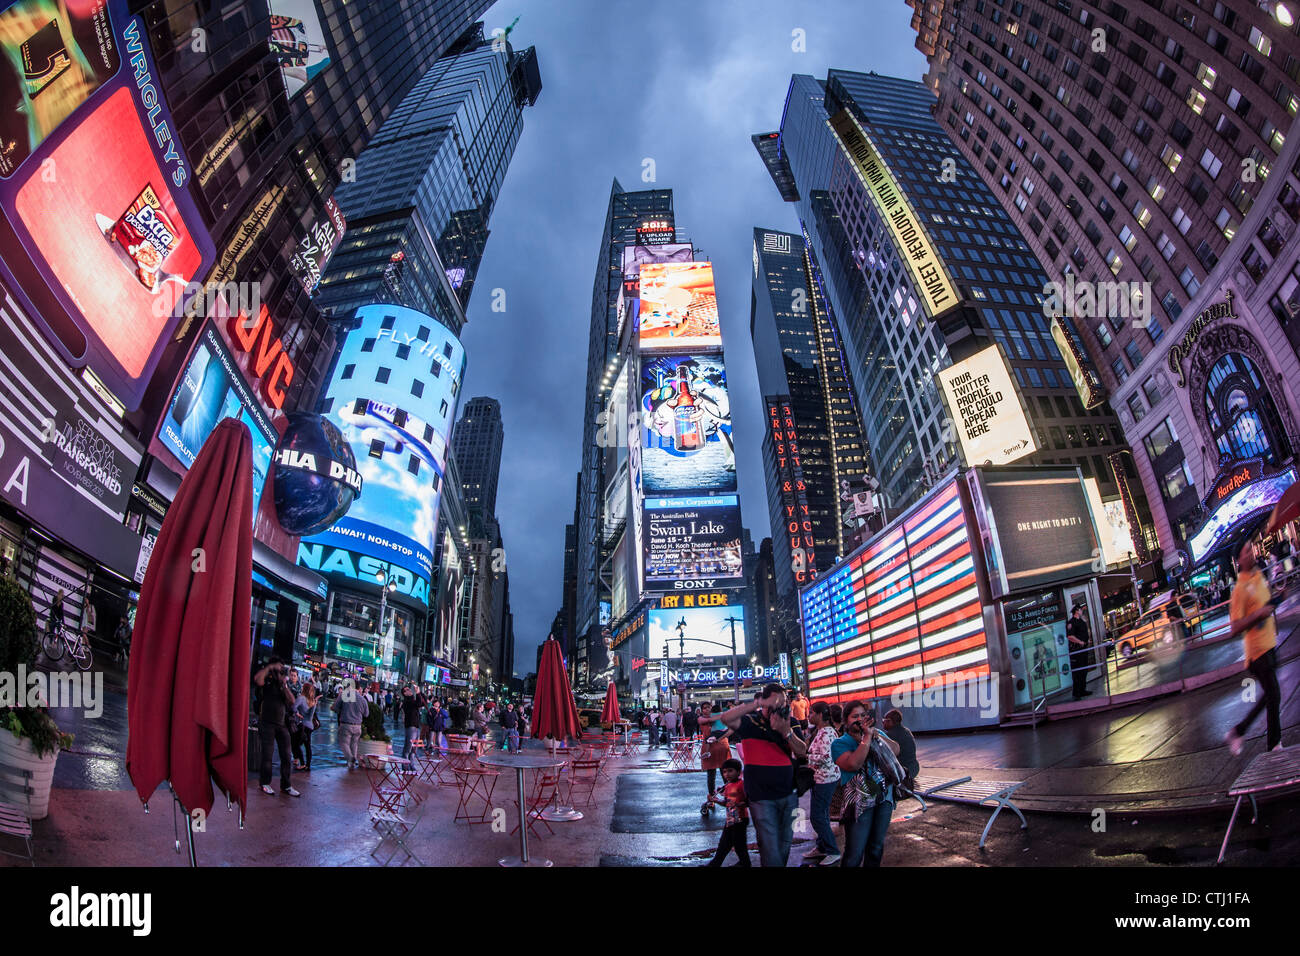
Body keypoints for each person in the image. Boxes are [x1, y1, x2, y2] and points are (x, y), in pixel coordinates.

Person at [712, 684, 806, 866]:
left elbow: (802, 751)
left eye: (783, 702)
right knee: (770, 846)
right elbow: (726, 717)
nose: (780, 707)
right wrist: (755, 704)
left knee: (785, 843)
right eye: (776, 702)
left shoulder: (790, 722)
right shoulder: (750, 722)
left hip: (789, 793)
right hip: (761, 796)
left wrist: (786, 732)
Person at [1226, 543, 1283, 755]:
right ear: (1238, 560)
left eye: (1251, 548)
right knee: (1274, 695)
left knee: (1270, 696)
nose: (1252, 553)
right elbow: (1234, 627)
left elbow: (1264, 605)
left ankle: (1239, 731)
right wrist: (1258, 615)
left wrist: (1278, 598)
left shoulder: (1258, 574)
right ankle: (1274, 746)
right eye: (1247, 551)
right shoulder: (1239, 589)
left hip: (1270, 644)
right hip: (1257, 651)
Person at [832, 702, 900, 867]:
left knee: (876, 848)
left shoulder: (877, 733)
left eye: (863, 715)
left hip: (884, 799)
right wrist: (866, 739)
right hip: (858, 805)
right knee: (854, 852)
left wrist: (876, 735)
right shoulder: (840, 743)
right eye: (855, 716)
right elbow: (853, 764)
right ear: (846, 721)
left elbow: (896, 749)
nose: (860, 720)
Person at [254, 658, 301, 797]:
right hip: (267, 722)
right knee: (267, 755)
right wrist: (270, 668)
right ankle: (264, 783)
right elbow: (258, 680)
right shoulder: (267, 681)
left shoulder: (282, 685)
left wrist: (284, 684)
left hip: (282, 724)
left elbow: (292, 701)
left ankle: (286, 785)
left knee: (287, 755)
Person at [803, 700, 842, 865]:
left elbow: (826, 758)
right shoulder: (821, 731)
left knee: (817, 817)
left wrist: (806, 758)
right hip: (821, 778)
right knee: (823, 815)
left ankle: (833, 850)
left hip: (825, 779)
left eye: (811, 713)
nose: (809, 715)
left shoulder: (826, 733)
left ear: (820, 715)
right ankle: (822, 847)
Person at [704, 758, 750, 867]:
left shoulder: (741, 785)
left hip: (740, 819)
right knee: (724, 844)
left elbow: (748, 801)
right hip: (731, 819)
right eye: (724, 771)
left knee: (738, 845)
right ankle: (716, 864)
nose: (727, 774)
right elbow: (727, 802)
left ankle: (745, 863)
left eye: (730, 771)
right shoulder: (728, 786)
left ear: (738, 772)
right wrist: (716, 800)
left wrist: (737, 804)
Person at [698, 702, 733, 813]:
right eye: (704, 708)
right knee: (711, 774)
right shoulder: (703, 719)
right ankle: (712, 798)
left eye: (709, 707)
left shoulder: (718, 718)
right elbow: (705, 724)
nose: (707, 710)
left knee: (726, 773)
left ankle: (729, 796)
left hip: (721, 746)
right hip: (710, 748)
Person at [881, 709, 920, 792]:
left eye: (884, 720)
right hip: (914, 768)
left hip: (903, 772)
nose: (883, 723)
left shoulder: (889, 736)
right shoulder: (906, 730)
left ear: (890, 721)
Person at [334, 679, 369, 770]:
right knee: (354, 744)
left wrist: (342, 711)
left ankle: (350, 758)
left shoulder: (344, 695)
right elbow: (366, 714)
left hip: (346, 724)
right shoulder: (362, 699)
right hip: (358, 726)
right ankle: (352, 765)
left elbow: (335, 708)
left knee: (344, 743)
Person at [1066, 606, 1094, 699]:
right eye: (1080, 610)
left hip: (1084, 649)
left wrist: (1087, 641)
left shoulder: (1082, 621)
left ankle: (1082, 690)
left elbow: (1085, 632)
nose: (1082, 611)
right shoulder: (1071, 622)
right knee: (1077, 672)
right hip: (1076, 651)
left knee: (1083, 671)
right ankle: (1076, 693)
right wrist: (1079, 641)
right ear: (1076, 611)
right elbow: (1070, 636)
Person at [293, 684, 319, 772]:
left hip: (303, 725)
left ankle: (302, 763)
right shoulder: (312, 701)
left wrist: (297, 713)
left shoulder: (301, 698)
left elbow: (293, 707)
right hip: (310, 726)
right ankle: (307, 765)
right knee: (307, 746)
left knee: (295, 744)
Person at [400, 684, 425, 760]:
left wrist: (419, 693)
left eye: (409, 689)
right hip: (411, 725)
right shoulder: (407, 701)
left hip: (416, 725)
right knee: (409, 746)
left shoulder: (412, 699)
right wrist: (417, 693)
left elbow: (420, 703)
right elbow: (418, 704)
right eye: (407, 690)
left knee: (414, 747)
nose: (410, 690)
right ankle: (405, 763)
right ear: (404, 693)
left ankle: (411, 763)